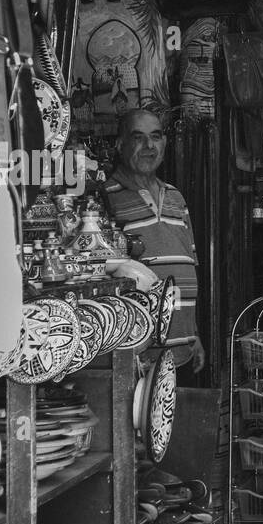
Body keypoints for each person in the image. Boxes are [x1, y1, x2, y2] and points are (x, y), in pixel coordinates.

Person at [103, 107, 205, 373]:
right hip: (137, 351)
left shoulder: (176, 197)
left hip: (181, 348)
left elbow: (188, 264)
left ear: (165, 143)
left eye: (156, 136)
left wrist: (195, 335)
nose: (149, 146)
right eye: (138, 138)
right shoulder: (106, 198)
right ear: (120, 145)